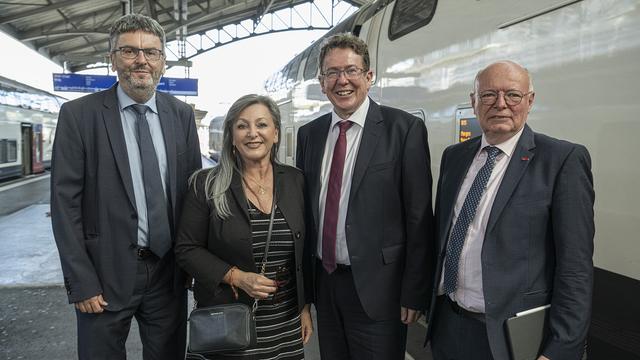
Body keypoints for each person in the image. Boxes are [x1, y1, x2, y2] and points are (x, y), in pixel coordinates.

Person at [50, 13, 201, 359]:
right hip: (102, 278)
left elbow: (193, 196)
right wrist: (81, 281)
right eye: (130, 51)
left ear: (162, 60)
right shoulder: (79, 116)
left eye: (151, 52)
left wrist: (195, 265)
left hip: (168, 274)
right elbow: (65, 204)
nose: (141, 61)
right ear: (113, 58)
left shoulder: (180, 115)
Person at [425, 60, 595, 360]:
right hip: (448, 323)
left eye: (513, 95)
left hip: (507, 337)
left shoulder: (561, 160)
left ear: (529, 101)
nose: (501, 104)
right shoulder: (455, 157)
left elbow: (575, 267)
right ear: (474, 102)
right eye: (489, 95)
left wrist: (560, 349)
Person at [296, 33, 434, 359]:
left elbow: (418, 217)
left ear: (369, 77)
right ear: (321, 81)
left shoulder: (404, 130)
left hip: (380, 290)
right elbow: (305, 213)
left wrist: (414, 293)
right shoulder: (309, 135)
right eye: (332, 72)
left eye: (351, 71)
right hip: (326, 285)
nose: (342, 80)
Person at [175, 94, 313, 359]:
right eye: (242, 126)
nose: (253, 133)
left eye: (261, 125)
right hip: (227, 322)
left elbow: (302, 252)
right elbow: (186, 249)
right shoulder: (206, 184)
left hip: (284, 324)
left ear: (275, 133)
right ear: (232, 136)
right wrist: (237, 277)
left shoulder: (295, 181)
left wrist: (304, 307)